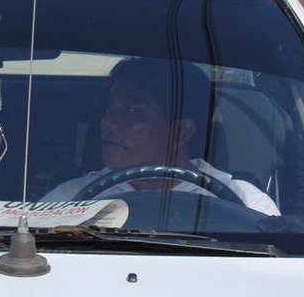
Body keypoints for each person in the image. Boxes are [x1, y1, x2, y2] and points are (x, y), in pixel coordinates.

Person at [42, 57, 279, 216]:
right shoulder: (68, 201)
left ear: (182, 132)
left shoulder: (246, 204)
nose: (107, 123)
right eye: (110, 108)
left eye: (134, 111)